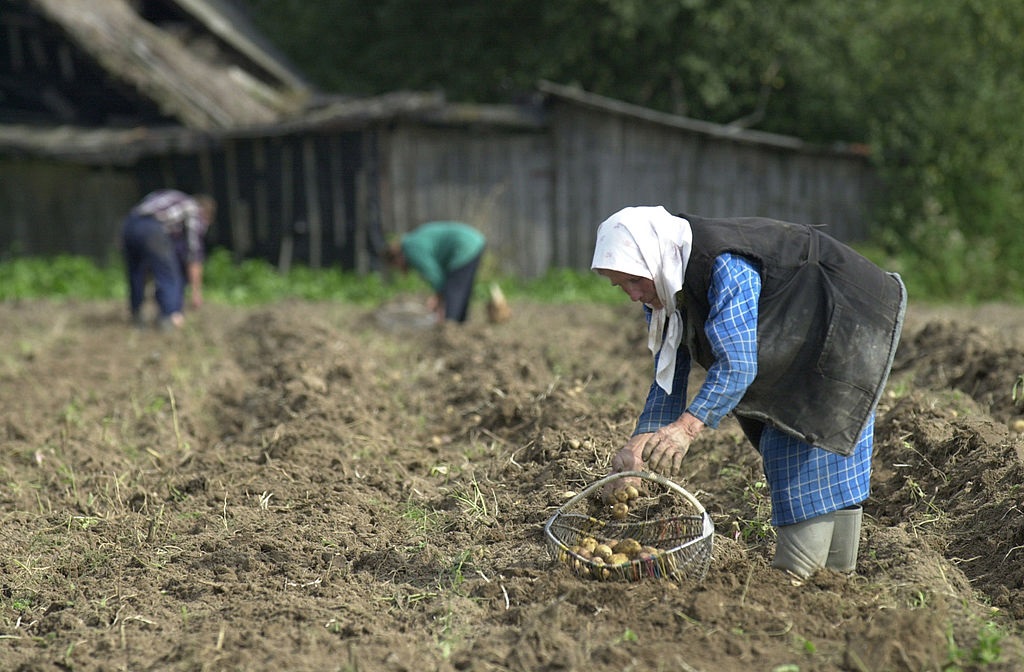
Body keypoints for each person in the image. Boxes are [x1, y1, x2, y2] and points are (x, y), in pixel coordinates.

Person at [592, 205, 906, 581]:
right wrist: (638, 449)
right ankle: (835, 583)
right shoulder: (664, 288)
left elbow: (738, 365)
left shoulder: (723, 265)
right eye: (621, 286)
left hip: (838, 321)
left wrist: (687, 428)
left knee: (800, 441)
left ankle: (797, 580)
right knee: (800, 444)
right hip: (794, 338)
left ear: (652, 259)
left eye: (634, 281)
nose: (631, 295)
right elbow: (668, 377)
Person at [121, 189, 215, 330]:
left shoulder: (169, 196)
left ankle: (137, 315)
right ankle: (170, 317)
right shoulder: (193, 208)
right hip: (152, 228)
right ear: (204, 213)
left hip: (129, 224)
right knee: (169, 275)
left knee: (136, 272)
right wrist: (196, 292)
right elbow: (194, 253)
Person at [385, 221, 486, 323]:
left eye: (396, 267)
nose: (399, 270)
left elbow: (435, 275)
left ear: (397, 259)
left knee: (454, 291)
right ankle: (459, 325)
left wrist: (438, 297)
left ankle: (449, 327)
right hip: (474, 241)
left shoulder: (411, 250)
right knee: (461, 291)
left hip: (464, 246)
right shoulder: (411, 242)